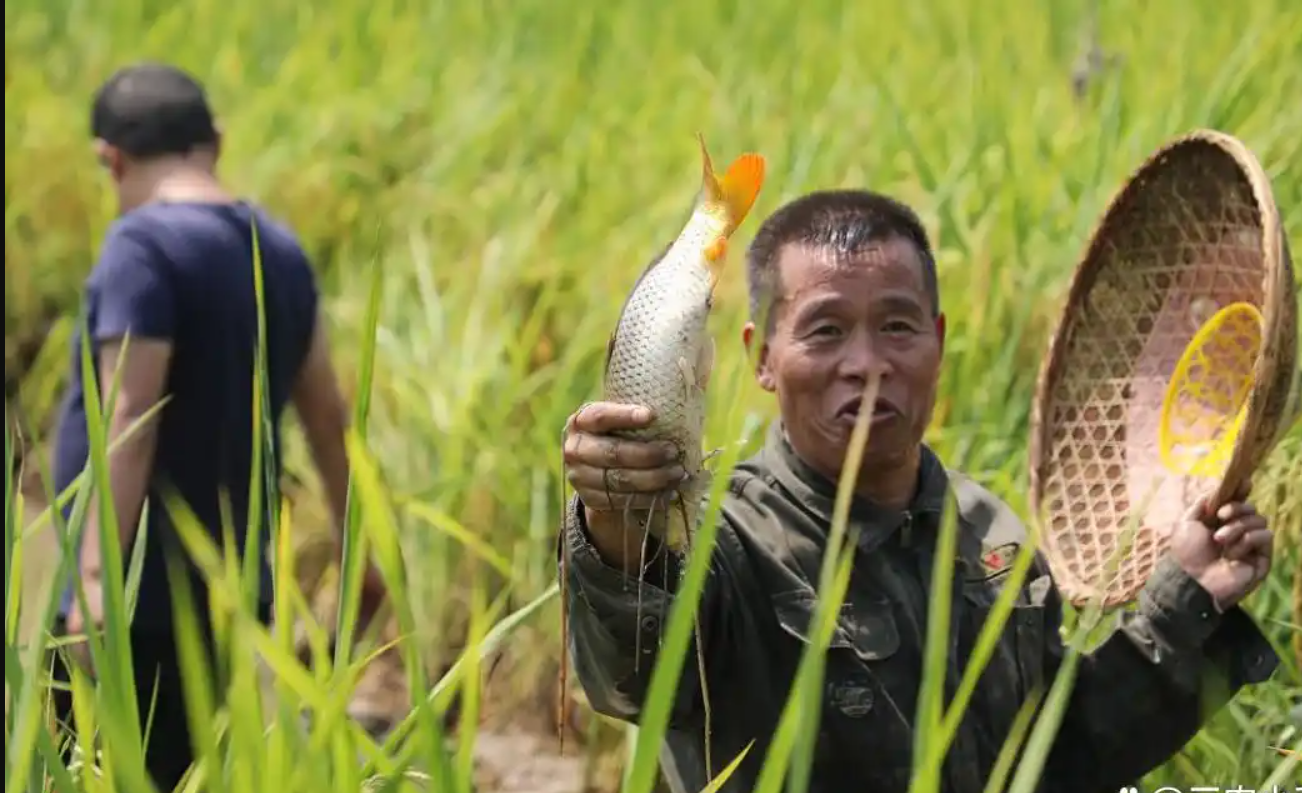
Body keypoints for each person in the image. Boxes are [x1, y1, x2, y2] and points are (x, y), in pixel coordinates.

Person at [558, 189, 1279, 793]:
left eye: (897, 327)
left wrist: (1184, 601)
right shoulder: (722, 540)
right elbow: (631, 670)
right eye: (825, 330)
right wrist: (616, 517)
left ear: (937, 342)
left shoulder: (992, 537)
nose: (867, 363)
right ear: (762, 357)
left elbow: (1061, 757)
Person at [44, 62, 387, 788]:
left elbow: (130, 415)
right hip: (232, 596)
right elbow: (327, 417)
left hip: (133, 606)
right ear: (217, 141)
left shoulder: (140, 248)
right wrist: (361, 553)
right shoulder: (279, 252)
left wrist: (95, 580)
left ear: (111, 159)